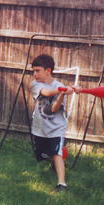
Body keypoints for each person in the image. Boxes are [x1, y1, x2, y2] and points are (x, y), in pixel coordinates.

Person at [30, 54, 81, 192]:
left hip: (56, 128)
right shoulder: (36, 85)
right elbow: (46, 93)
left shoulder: (58, 86)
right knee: (41, 155)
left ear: (48, 71)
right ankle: (60, 163)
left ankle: (61, 184)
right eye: (33, 71)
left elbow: (53, 109)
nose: (34, 74)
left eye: (37, 70)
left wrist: (63, 94)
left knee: (57, 152)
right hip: (40, 128)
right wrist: (63, 90)